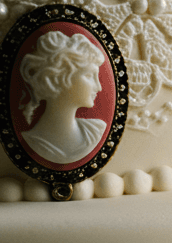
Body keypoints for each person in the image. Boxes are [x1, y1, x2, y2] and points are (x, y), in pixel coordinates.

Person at [19, 30, 107, 164]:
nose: (99, 87)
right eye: (89, 76)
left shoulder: (95, 130)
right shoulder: (33, 142)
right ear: (59, 78)